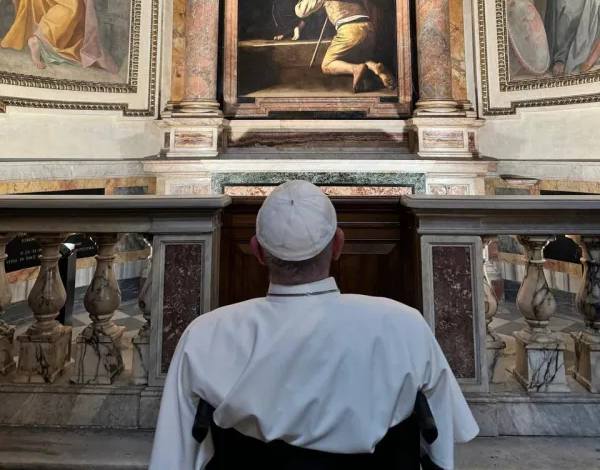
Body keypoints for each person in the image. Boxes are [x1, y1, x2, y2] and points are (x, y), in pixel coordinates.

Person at [149, 180, 479, 469]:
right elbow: (442, 444)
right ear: (338, 245)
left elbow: (175, 456)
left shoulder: (205, 335)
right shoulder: (405, 325)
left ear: (258, 252)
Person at [295, 0, 396, 92]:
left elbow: (301, 11)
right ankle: (376, 68)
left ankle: (356, 69)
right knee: (355, 56)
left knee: (327, 65)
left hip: (350, 31)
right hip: (369, 28)